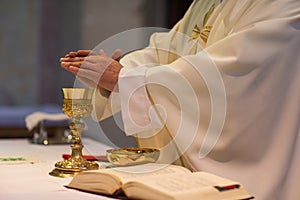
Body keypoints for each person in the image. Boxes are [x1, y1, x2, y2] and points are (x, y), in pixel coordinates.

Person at [60, 0, 300, 199]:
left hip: (254, 167)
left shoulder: (281, 5)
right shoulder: (209, 3)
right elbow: (166, 51)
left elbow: (230, 74)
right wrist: (119, 70)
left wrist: (124, 78)